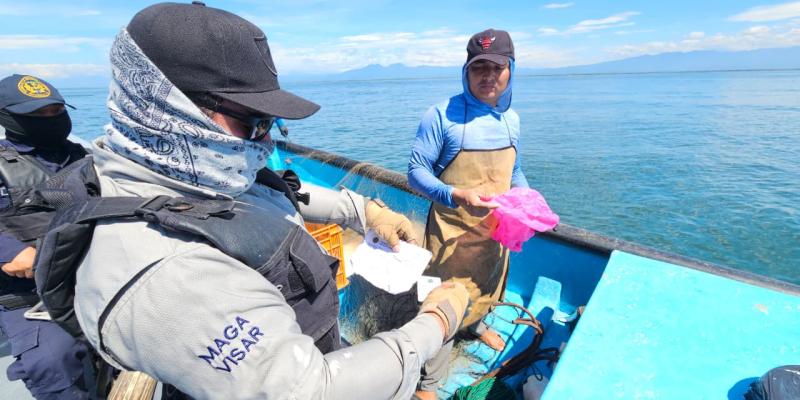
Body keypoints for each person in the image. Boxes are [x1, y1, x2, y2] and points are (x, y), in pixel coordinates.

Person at [65, 3, 469, 400]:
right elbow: (309, 391)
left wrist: (364, 211)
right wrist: (436, 321)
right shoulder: (169, 275)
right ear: (170, 112)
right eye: (256, 123)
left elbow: (268, 190)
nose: (268, 143)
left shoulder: (191, 169)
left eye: (272, 123)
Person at [407, 28, 528, 398]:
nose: (488, 76)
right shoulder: (441, 116)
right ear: (466, 71)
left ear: (510, 70)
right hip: (451, 236)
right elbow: (415, 172)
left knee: (488, 285)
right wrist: (454, 194)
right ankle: (428, 383)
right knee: (443, 303)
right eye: (479, 68)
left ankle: (475, 326)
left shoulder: (512, 120)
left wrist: (526, 198)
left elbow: (515, 171)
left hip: (494, 234)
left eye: (497, 67)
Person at [0, 74, 92, 399]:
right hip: (29, 293)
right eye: (37, 115)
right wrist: (9, 252)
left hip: (92, 277)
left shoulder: (86, 157)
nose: (50, 120)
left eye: (56, 111)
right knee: (53, 360)